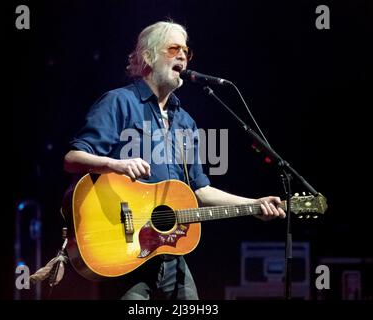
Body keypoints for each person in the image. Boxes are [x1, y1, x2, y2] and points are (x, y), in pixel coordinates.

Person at [63, 20, 285, 300]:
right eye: (174, 48)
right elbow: (72, 158)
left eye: (186, 51)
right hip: (122, 248)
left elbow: (200, 191)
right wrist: (116, 165)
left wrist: (253, 205)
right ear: (148, 57)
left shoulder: (185, 122)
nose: (183, 55)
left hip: (168, 250)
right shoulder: (119, 102)